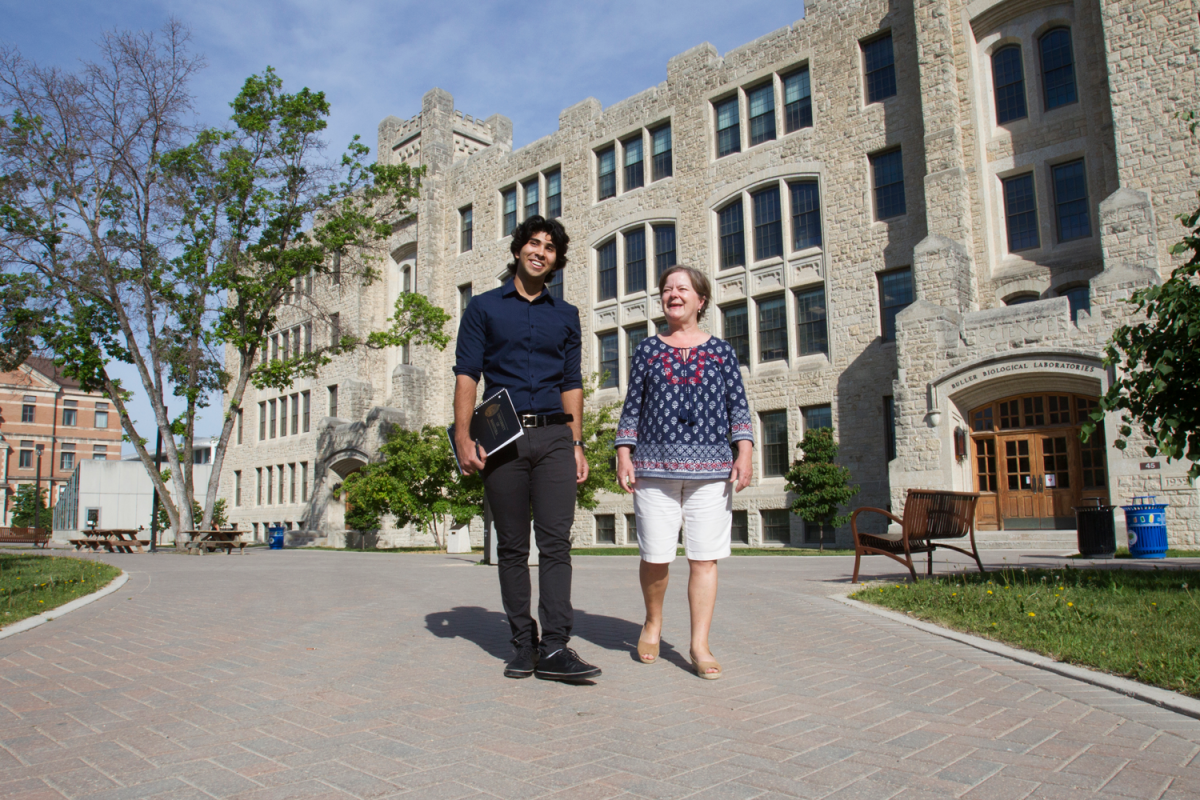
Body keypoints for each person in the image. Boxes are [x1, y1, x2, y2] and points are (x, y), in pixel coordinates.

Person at [453, 215, 601, 683]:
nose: (540, 251)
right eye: (533, 243)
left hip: (557, 435)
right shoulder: (483, 308)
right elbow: (467, 375)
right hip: (504, 439)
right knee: (513, 546)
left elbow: (572, 382)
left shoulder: (566, 315)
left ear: (557, 259)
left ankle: (556, 647)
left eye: (550, 247)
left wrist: (576, 442)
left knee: (556, 543)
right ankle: (523, 644)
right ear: (518, 250)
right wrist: (461, 435)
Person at [615, 264, 753, 680]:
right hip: (653, 469)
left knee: (703, 559)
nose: (673, 294)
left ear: (700, 299)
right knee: (656, 557)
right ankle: (653, 623)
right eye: (667, 289)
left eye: (682, 288)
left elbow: (738, 407)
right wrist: (624, 454)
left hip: (712, 471)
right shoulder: (646, 350)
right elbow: (632, 408)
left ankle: (699, 643)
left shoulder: (722, 351)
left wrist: (743, 452)